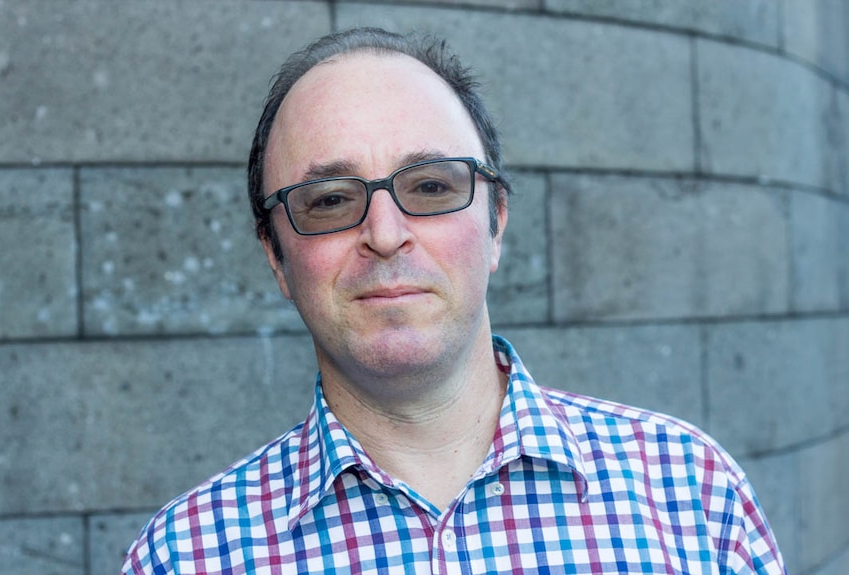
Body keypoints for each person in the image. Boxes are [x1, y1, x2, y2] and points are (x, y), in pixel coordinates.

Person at [123, 27, 786, 574]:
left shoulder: (692, 494)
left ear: (496, 221)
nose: (384, 233)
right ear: (276, 254)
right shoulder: (183, 556)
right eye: (329, 201)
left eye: (433, 185)